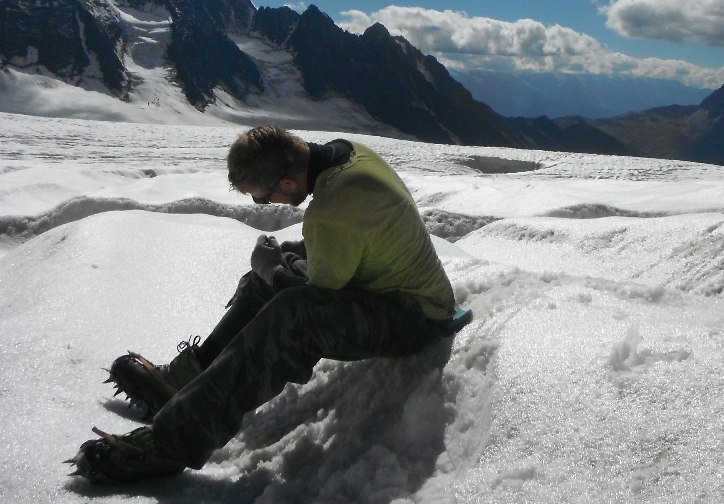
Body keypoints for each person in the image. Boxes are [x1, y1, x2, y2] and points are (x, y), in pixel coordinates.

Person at [70, 125, 470, 483]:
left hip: (415, 316)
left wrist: (276, 270)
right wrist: (277, 267)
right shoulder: (345, 153)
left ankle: (172, 442)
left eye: (263, 197)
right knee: (271, 274)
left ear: (290, 181)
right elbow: (336, 253)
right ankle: (187, 379)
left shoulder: (332, 209)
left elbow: (318, 294)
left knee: (291, 314)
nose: (265, 203)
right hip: (394, 289)